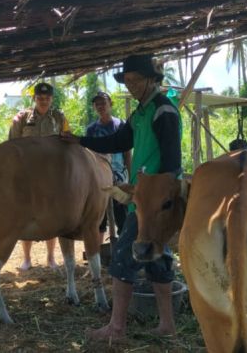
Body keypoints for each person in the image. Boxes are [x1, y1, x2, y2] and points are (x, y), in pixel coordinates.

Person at [62, 54, 182, 341]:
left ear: (151, 79)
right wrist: (81, 140)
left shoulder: (163, 110)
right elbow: (118, 141)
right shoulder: (141, 113)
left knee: (123, 257)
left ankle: (116, 329)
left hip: (151, 203)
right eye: (127, 81)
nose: (131, 85)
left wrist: (155, 197)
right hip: (146, 198)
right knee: (156, 258)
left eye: (136, 80)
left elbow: (172, 161)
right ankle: (167, 325)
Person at [9, 81, 70, 270]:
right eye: (40, 98)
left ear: (51, 99)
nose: (43, 101)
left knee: (52, 215)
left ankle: (51, 258)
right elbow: (11, 145)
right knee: (24, 216)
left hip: (52, 176)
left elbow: (68, 142)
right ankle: (26, 259)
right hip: (27, 175)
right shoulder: (21, 118)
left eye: (47, 98)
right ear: (34, 98)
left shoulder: (59, 117)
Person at [85, 91, 131, 236]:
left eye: (103, 103)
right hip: (99, 177)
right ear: (94, 107)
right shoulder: (91, 129)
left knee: (122, 215)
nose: (100, 106)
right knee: (99, 218)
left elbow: (127, 152)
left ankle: (124, 246)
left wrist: (130, 175)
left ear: (110, 104)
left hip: (119, 176)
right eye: (97, 104)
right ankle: (99, 248)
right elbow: (89, 154)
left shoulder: (120, 125)